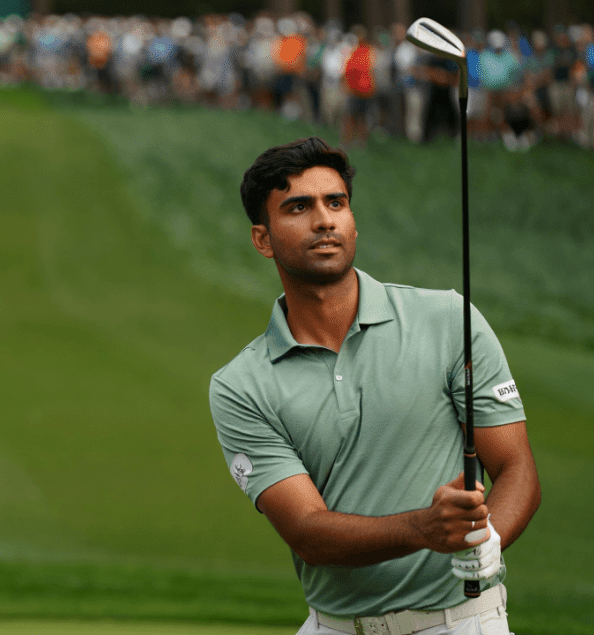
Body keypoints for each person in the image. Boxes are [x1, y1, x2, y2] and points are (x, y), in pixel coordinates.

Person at [208, 137, 540, 634]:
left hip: (463, 622)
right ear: (263, 239)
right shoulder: (240, 385)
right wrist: (423, 529)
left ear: (352, 221)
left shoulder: (448, 319)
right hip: (335, 626)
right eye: (299, 207)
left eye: (335, 203)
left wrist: (488, 536)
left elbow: (516, 468)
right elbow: (307, 532)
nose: (324, 220)